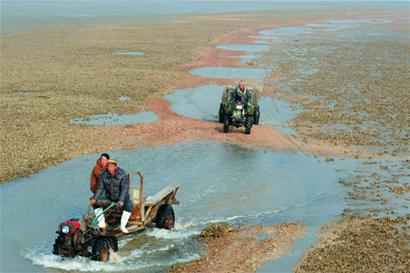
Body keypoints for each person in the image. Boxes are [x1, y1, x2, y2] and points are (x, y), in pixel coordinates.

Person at [89, 159, 133, 233]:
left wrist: (121, 200)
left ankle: (122, 226)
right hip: (110, 197)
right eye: (108, 166)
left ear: (115, 167)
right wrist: (94, 199)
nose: (109, 168)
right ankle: (102, 225)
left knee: (129, 206)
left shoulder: (122, 174)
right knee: (95, 203)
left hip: (121, 197)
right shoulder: (104, 175)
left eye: (111, 166)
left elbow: (124, 189)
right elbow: (100, 188)